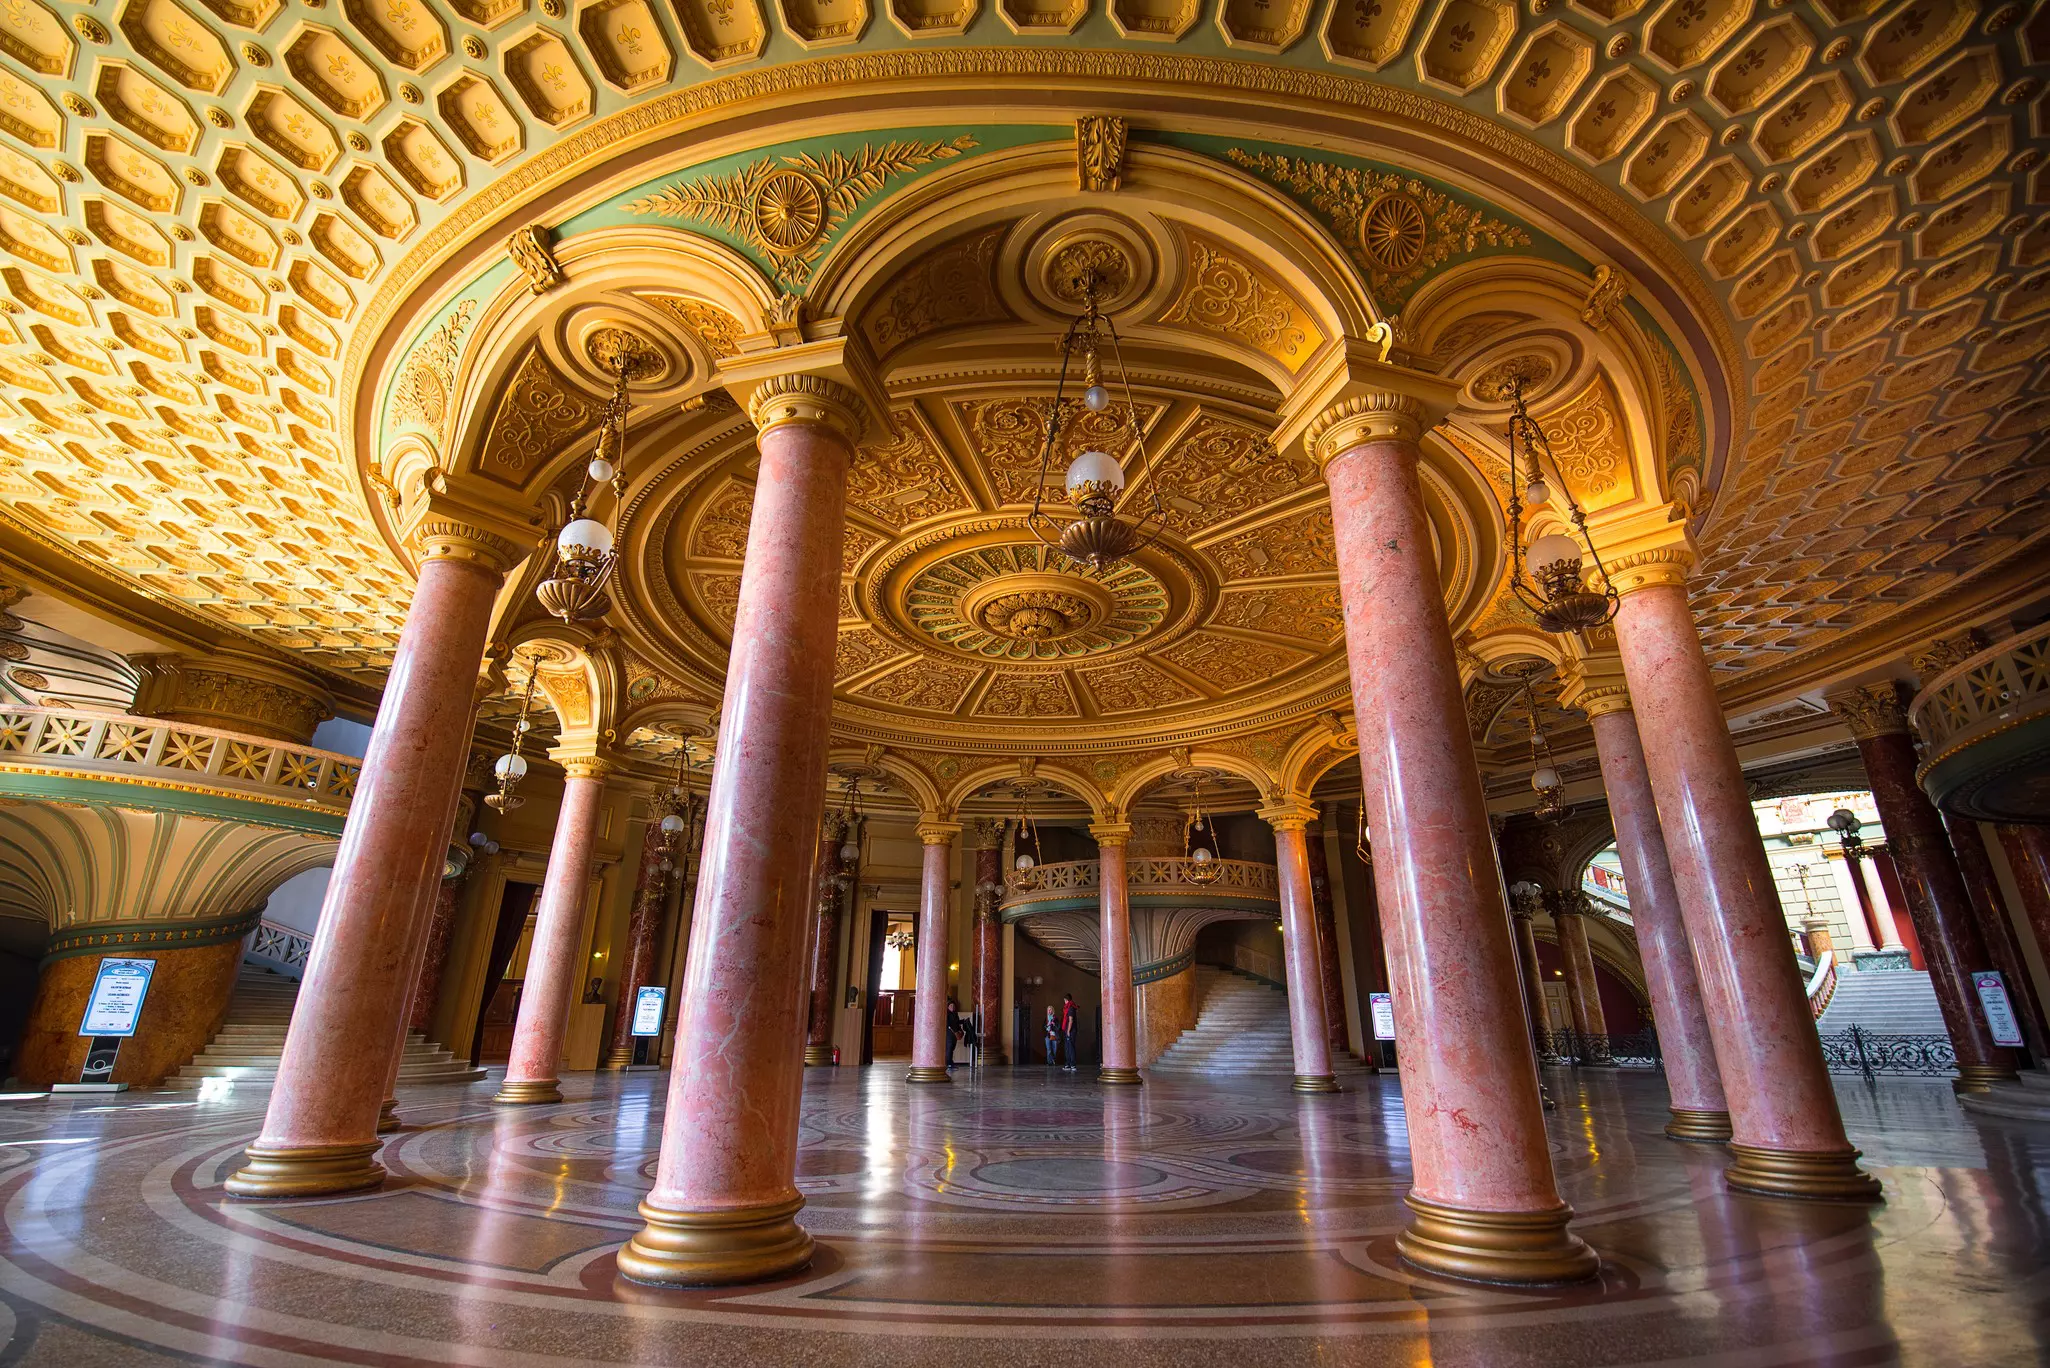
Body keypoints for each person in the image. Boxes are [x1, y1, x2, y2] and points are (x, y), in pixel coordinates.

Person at [1059, 992, 1079, 1072]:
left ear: (1066, 1000)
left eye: (1064, 1000)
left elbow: (1071, 1020)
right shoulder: (1068, 1007)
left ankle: (1073, 1065)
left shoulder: (1070, 1008)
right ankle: (1068, 1065)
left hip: (1070, 1030)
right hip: (1068, 1030)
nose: (1064, 1002)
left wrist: (1068, 1031)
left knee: (1070, 1047)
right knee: (1067, 1047)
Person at [945, 997, 961, 1071]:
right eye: (951, 1006)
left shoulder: (955, 1014)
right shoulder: (947, 1014)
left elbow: (957, 1023)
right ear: (948, 1007)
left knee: (952, 1048)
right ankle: (948, 1064)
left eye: (953, 1006)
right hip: (949, 1033)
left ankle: (951, 1063)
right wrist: (954, 1031)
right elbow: (948, 1024)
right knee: (949, 1047)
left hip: (955, 1033)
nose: (952, 1007)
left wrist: (959, 1030)